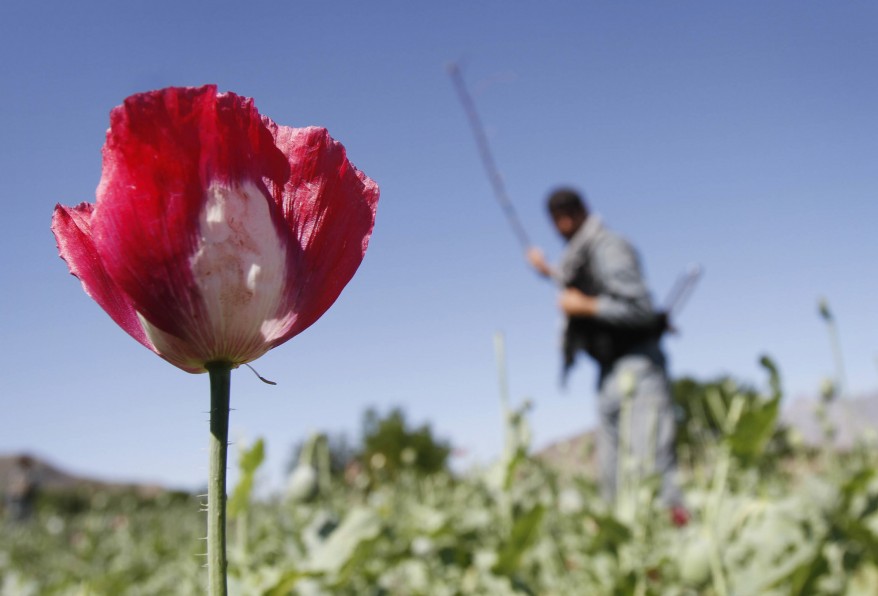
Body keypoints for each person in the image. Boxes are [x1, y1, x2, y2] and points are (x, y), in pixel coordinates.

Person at [526, 188, 685, 519]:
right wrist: (548, 274)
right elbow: (574, 283)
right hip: (607, 374)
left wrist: (586, 306)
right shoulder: (578, 257)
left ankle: (680, 549)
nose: (563, 226)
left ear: (580, 213)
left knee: (652, 471)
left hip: (638, 368)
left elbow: (640, 307)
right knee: (611, 483)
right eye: (556, 220)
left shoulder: (609, 246)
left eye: (567, 216)